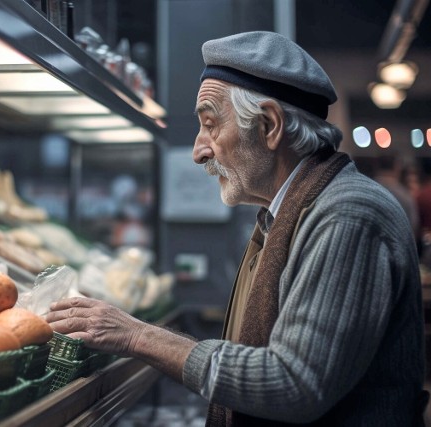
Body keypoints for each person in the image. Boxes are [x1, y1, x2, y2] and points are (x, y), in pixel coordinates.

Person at [47, 31, 427, 426]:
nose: (198, 150)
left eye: (210, 125)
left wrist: (137, 337)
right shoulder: (286, 214)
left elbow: (294, 382)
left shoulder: (348, 214)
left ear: (269, 125)